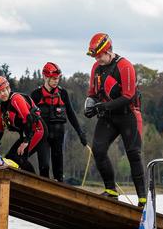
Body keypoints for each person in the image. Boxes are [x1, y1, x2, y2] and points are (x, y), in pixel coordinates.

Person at [84, 32, 146, 205]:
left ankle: (142, 199)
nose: (97, 60)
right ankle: (111, 190)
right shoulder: (96, 68)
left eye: (99, 56)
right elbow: (92, 93)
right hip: (108, 117)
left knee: (133, 154)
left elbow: (128, 95)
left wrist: (104, 106)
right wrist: (89, 106)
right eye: (95, 57)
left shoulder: (125, 66)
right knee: (98, 150)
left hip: (128, 115)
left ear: (108, 51)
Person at [30, 61, 87, 182]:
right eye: (53, 78)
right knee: (44, 166)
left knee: (58, 170)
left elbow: (71, 114)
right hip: (42, 136)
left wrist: (80, 133)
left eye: (58, 78)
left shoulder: (63, 93)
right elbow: (28, 118)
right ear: (45, 77)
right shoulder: (35, 95)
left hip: (58, 135)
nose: (56, 81)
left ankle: (59, 190)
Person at [0, 75, 44, 173]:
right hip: (26, 134)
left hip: (37, 131)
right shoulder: (1, 108)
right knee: (9, 159)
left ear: (8, 88)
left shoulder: (16, 99)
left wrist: (26, 141)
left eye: (3, 90)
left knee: (19, 159)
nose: (2, 94)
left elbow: (28, 119)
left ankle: (35, 184)